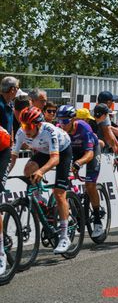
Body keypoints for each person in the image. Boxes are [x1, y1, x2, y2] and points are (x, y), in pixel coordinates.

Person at [9, 107, 73, 254]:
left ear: (38, 124)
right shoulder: (21, 133)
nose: (26, 130)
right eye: (24, 125)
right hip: (44, 152)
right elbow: (13, 159)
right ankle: (41, 201)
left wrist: (41, 171)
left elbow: (55, 159)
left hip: (62, 152)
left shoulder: (49, 130)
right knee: (27, 170)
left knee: (59, 193)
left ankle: (64, 236)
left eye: (29, 126)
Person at [56, 105, 104, 238]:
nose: (62, 124)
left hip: (91, 150)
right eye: (59, 121)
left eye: (65, 121)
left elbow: (89, 155)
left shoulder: (83, 127)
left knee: (89, 184)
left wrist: (78, 164)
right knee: (63, 185)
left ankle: (97, 219)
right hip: (73, 151)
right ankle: (74, 210)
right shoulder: (59, 129)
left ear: (73, 120)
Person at [0, 76, 19, 274]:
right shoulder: (2, 104)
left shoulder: (8, 104)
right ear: (12, 90)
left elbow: (12, 128)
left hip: (3, 152)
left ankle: (1, 250)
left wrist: (13, 143)